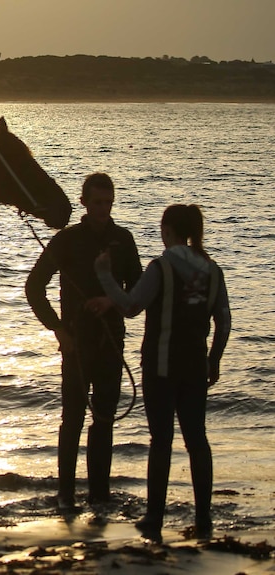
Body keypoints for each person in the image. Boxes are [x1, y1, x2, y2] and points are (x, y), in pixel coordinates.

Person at [95, 204, 230, 543]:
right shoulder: (212, 270)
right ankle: (203, 519)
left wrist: (105, 275)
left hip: (161, 367)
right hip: (196, 367)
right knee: (197, 440)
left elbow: (129, 307)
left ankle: (154, 517)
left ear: (167, 231)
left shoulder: (161, 267)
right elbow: (224, 322)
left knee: (162, 441)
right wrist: (214, 360)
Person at [26, 172, 142, 510]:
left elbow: (136, 293)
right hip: (75, 344)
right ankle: (65, 495)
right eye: (97, 203)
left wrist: (112, 301)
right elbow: (34, 287)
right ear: (84, 203)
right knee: (72, 418)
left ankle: (100, 495)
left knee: (104, 419)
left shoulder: (124, 239)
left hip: (111, 343)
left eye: (108, 203)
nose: (103, 209)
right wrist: (58, 330)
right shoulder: (66, 240)